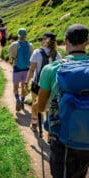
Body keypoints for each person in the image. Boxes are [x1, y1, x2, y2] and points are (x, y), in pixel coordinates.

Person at [37, 24, 89, 178]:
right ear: (87, 42)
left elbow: (41, 107)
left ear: (66, 41)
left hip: (62, 138)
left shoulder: (51, 69)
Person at [25, 32, 61, 131]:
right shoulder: (58, 55)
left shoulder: (37, 52)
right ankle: (49, 128)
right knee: (49, 106)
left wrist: (26, 81)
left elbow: (32, 70)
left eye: (42, 39)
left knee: (35, 104)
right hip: (52, 86)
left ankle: (34, 124)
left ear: (47, 40)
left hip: (37, 84)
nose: (41, 41)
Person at [9, 28, 33, 111]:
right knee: (24, 87)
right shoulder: (30, 45)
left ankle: (17, 99)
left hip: (17, 68)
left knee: (15, 87)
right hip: (26, 69)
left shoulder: (14, 45)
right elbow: (31, 57)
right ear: (25, 35)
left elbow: (12, 57)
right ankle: (22, 102)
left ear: (18, 35)